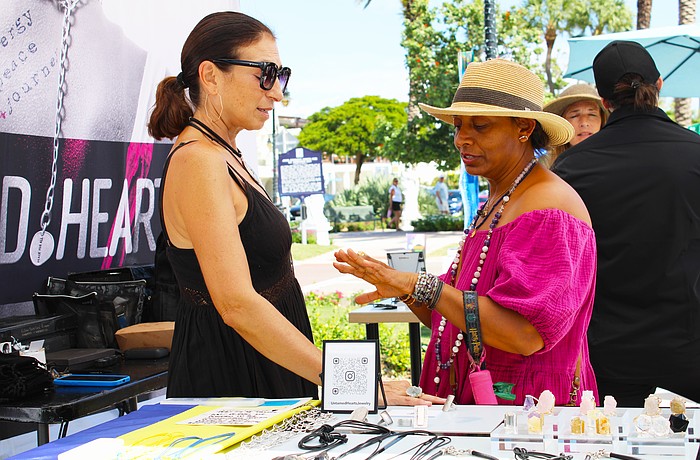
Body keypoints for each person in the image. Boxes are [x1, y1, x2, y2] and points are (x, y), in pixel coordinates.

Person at [148, 11, 442, 405]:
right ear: (211, 75)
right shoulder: (199, 160)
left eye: (282, 76)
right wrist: (353, 383)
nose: (277, 93)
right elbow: (236, 304)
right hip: (235, 374)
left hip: (266, 360)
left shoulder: (223, 154)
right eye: (266, 74)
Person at [334, 59, 598, 406]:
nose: (462, 140)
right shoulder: (503, 198)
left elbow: (524, 333)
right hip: (488, 408)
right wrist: (405, 289)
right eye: (458, 126)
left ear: (523, 127)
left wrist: (418, 285)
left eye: (480, 126)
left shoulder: (548, 207)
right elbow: (454, 314)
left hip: (527, 414)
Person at [552, 40, 700, 407]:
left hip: (606, 352)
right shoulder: (695, 154)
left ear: (604, 103)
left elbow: (560, 269)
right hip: (689, 347)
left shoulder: (572, 169)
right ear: (660, 85)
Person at [541, 84, 608, 167]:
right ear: (563, 123)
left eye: (592, 114)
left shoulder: (615, 159)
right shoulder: (546, 166)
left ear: (602, 120)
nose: (584, 123)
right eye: (574, 116)